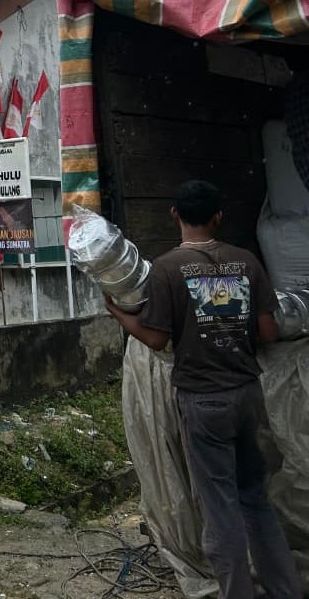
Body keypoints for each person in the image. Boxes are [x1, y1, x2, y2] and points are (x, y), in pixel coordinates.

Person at [104, 180, 300, 599]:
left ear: (174, 213)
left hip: (203, 401)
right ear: (219, 216)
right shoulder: (245, 262)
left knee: (219, 505)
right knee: (254, 496)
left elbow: (156, 340)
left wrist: (119, 315)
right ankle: (286, 588)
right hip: (248, 394)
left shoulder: (167, 269)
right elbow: (267, 332)